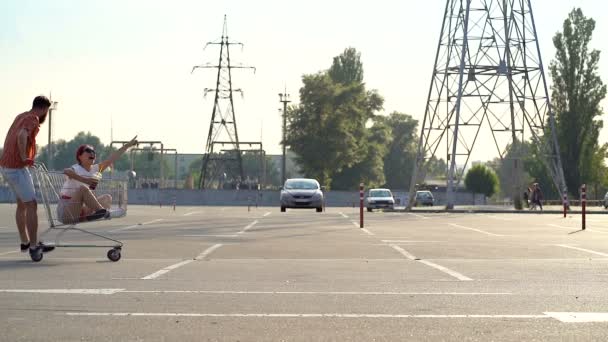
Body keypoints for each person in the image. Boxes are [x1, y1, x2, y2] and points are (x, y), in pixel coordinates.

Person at [0, 96, 56, 258]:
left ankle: (25, 241)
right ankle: (34, 246)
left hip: (5, 165)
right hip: (17, 167)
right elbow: (21, 136)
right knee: (32, 205)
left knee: (22, 205)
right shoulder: (32, 118)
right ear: (45, 109)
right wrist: (24, 157)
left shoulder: (21, 115)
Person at [57, 136, 138, 224]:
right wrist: (86, 181)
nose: (92, 153)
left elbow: (111, 159)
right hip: (67, 211)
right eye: (88, 151)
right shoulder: (76, 168)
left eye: (93, 152)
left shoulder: (95, 169)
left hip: (81, 210)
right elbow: (66, 171)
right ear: (80, 156)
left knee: (107, 198)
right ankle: (105, 213)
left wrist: (126, 146)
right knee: (82, 188)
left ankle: (92, 216)